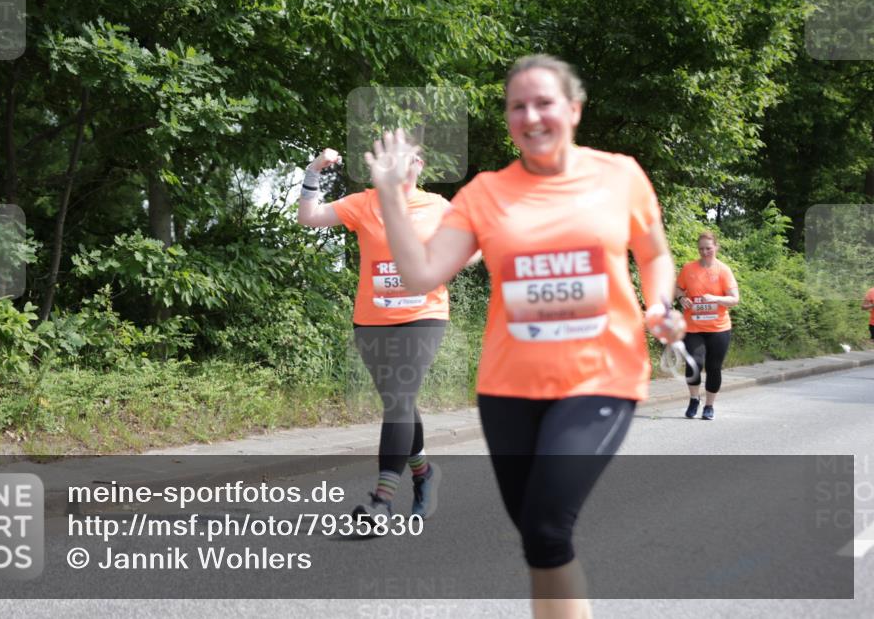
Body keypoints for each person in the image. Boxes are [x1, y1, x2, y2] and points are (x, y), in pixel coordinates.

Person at [365, 54, 685, 619]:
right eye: (518, 106)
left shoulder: (620, 175)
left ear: (574, 109)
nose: (531, 116)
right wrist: (390, 195)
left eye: (544, 103)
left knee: (546, 524)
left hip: (600, 377)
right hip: (509, 387)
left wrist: (660, 305)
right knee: (540, 544)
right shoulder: (485, 193)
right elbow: (420, 276)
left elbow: (654, 254)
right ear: (508, 118)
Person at [297, 147, 452, 523]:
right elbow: (308, 218)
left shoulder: (437, 206)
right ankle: (424, 472)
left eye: (409, 155)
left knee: (399, 398)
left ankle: (381, 502)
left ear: (419, 165)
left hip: (423, 314)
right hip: (372, 318)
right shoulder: (365, 203)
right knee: (399, 403)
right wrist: (313, 170)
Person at [675, 232, 740, 421]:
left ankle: (709, 406)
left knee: (714, 367)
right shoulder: (688, 269)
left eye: (708, 248)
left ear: (716, 248)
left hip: (718, 328)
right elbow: (678, 288)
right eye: (701, 248)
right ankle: (694, 399)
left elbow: (734, 299)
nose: (705, 252)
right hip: (693, 326)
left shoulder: (723, 270)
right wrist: (681, 298)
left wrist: (716, 298)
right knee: (694, 362)